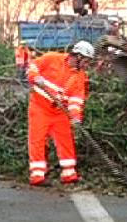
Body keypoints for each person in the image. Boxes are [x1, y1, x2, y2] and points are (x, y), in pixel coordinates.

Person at [25, 40, 93, 186]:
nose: (87, 65)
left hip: (60, 112)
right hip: (40, 107)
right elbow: (33, 66)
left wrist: (75, 116)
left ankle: (69, 173)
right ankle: (37, 174)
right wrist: (35, 76)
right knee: (37, 139)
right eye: (86, 61)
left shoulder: (79, 77)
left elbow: (76, 99)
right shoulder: (52, 58)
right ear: (79, 57)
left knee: (66, 139)